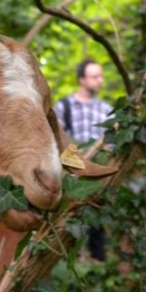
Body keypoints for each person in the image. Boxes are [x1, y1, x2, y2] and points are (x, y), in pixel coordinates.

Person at [55, 59, 112, 261]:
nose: (100, 81)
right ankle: (71, 259)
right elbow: (57, 139)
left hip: (96, 173)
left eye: (101, 76)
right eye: (94, 76)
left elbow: (110, 144)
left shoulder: (106, 109)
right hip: (72, 173)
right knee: (70, 219)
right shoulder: (64, 106)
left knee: (96, 217)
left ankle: (98, 260)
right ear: (81, 79)